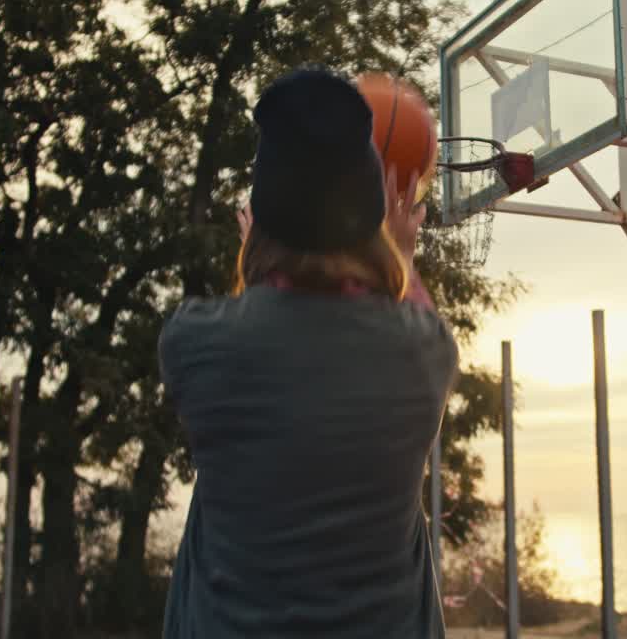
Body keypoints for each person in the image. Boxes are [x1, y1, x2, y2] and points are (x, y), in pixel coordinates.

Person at [158, 68, 457, 638]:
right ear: (373, 220)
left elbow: (258, 341)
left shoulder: (192, 343)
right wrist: (400, 256)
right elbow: (409, 315)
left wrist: (257, 264)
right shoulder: (426, 356)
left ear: (262, 220)